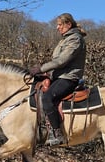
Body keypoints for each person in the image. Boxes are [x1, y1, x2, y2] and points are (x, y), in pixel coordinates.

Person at [29, 13, 87, 146]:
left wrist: (41, 68)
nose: (57, 27)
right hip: (59, 76)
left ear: (68, 24)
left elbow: (62, 60)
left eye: (60, 24)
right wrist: (47, 74)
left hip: (68, 78)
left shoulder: (75, 39)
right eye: (57, 24)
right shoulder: (65, 39)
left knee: (47, 98)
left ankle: (57, 133)